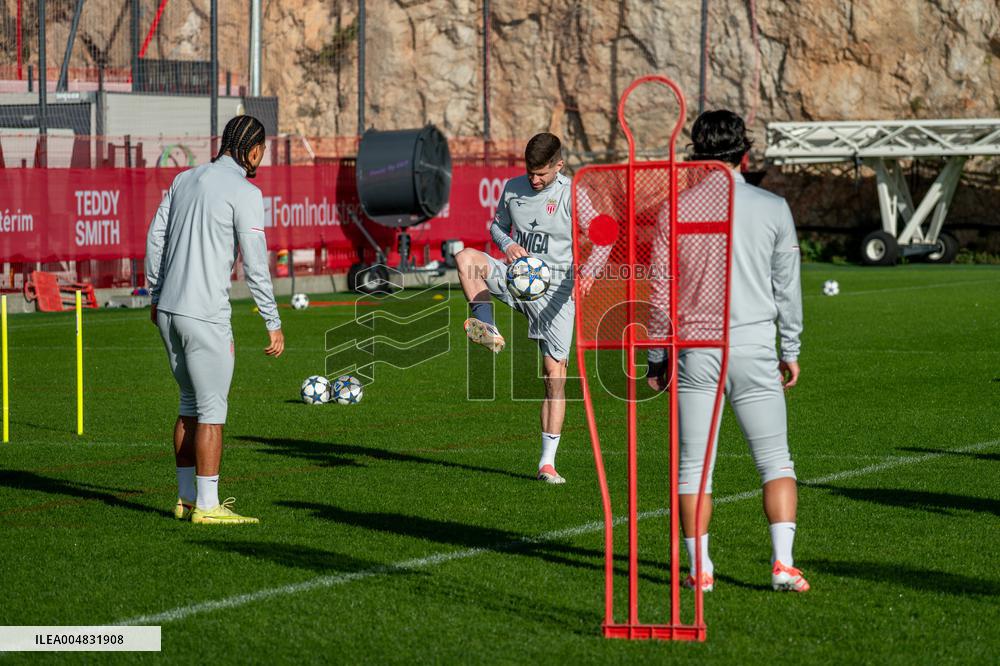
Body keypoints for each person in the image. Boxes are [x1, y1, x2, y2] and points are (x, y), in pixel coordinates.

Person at [647, 110, 808, 592]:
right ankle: (782, 563)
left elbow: (659, 292)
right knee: (776, 461)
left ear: (697, 157)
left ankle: (701, 570)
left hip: (696, 350)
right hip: (754, 345)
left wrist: (658, 355)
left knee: (693, 467)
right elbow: (788, 289)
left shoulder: (674, 210)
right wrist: (791, 347)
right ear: (745, 154)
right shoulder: (772, 206)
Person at [145, 115, 284, 525]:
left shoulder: (183, 178)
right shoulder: (246, 191)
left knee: (188, 404)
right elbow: (256, 265)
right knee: (211, 411)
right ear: (253, 150)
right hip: (205, 315)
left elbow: (156, 238)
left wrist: (155, 294)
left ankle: (186, 499)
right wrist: (272, 321)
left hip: (169, 310)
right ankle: (207, 506)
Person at [457, 133, 600, 484]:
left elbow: (603, 235)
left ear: (559, 166)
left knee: (554, 376)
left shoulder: (572, 193)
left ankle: (547, 464)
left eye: (542, 174)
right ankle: (485, 326)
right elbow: (496, 227)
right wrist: (506, 244)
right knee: (466, 258)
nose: (534, 180)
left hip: (556, 292)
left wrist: (591, 271)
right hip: (516, 277)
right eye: (530, 173)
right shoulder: (513, 187)